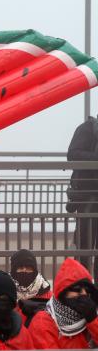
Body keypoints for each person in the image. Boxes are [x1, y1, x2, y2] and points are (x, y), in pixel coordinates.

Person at [28, 258, 98, 351]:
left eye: (88, 290)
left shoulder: (92, 314)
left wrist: (93, 321)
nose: (84, 294)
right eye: (77, 289)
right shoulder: (43, 322)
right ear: (63, 292)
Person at [67, 115, 98, 276]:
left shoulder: (87, 129)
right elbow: (72, 154)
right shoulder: (87, 129)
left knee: (84, 249)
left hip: (88, 199)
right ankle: (82, 290)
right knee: (84, 249)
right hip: (88, 199)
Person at [9, 249, 52, 326]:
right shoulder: (6, 292)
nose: (24, 270)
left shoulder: (47, 294)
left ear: (34, 270)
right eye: (20, 267)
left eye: (29, 267)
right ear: (13, 271)